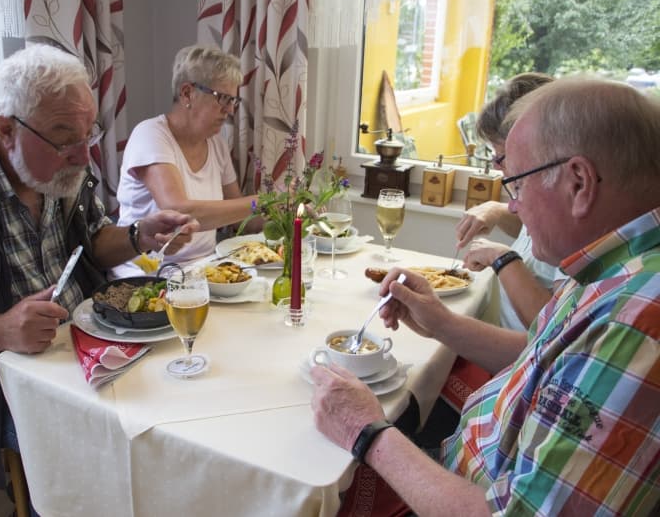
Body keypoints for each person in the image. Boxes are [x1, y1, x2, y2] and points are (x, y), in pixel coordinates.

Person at [311, 76, 660, 515]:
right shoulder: (609, 265)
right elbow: (540, 353)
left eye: (515, 183)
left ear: (579, 183)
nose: (511, 206)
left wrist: (367, 432)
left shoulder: (635, 322)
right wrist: (440, 321)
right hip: (466, 464)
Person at [0, 44, 198, 492]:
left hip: (80, 345)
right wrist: (2, 330)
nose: (84, 157)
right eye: (66, 139)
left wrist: (140, 234)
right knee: (108, 450)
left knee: (179, 405)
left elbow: (94, 243)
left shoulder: (56, 164)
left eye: (89, 136)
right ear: (5, 130)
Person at [112, 45, 261, 277]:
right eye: (222, 98)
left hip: (203, 274)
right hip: (148, 278)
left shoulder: (217, 144)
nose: (230, 110)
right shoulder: (150, 135)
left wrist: (287, 211)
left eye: (233, 101)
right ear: (187, 93)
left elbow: (241, 220)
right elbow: (178, 210)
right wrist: (261, 201)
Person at [455, 72, 565, 332]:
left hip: (519, 360)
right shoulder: (538, 189)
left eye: (501, 155)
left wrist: (502, 258)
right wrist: (496, 210)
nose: (495, 165)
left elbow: (552, 334)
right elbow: (532, 234)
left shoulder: (572, 219)